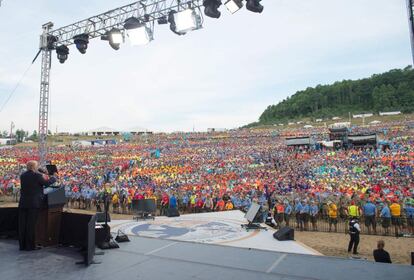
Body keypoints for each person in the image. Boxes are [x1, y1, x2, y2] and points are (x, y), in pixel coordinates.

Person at [18, 161, 57, 251]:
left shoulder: (23, 175)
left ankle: (22, 246)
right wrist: (54, 177)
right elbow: (47, 183)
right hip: (34, 204)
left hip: (23, 203)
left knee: (22, 225)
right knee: (31, 225)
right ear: (34, 167)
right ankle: (30, 246)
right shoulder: (37, 176)